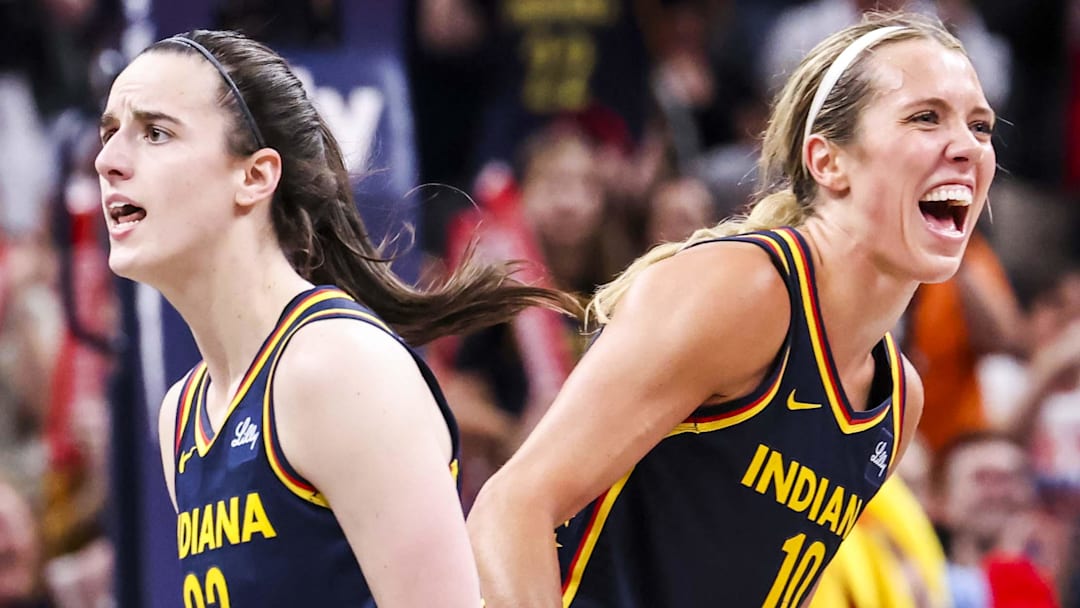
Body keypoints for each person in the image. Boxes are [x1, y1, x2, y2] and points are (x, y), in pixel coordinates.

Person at [467, 11, 997, 607]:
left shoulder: (898, 398)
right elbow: (512, 508)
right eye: (926, 117)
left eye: (981, 126)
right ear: (828, 162)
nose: (967, 148)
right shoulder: (747, 290)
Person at [94, 29, 574, 607]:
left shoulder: (336, 367)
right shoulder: (184, 412)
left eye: (155, 132)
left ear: (254, 177)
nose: (107, 161)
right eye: (109, 133)